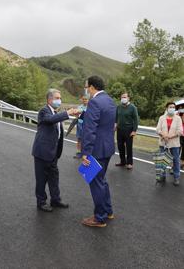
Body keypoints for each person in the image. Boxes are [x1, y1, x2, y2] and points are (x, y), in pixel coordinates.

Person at [32, 89, 77, 212]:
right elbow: (51, 120)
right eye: (57, 98)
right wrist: (68, 113)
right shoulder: (44, 111)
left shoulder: (55, 112)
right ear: (49, 99)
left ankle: (55, 200)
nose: (59, 100)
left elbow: (57, 124)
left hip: (53, 153)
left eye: (60, 98)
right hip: (42, 152)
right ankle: (41, 202)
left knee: (54, 177)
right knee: (41, 179)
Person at [81, 76, 116, 228]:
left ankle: (99, 218)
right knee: (101, 181)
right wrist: (83, 114)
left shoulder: (94, 102)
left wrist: (85, 153)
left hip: (96, 149)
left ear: (92, 87)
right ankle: (108, 211)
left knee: (95, 182)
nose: (86, 90)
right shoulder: (109, 100)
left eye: (87, 87)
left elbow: (90, 130)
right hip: (107, 147)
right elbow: (104, 120)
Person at [156, 102, 183, 186]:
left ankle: (176, 177)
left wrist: (170, 136)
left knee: (176, 160)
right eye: (170, 107)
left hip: (174, 143)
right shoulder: (161, 118)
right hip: (163, 142)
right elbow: (158, 129)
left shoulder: (178, 118)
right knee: (162, 160)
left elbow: (180, 131)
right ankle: (162, 176)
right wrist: (163, 135)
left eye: (173, 107)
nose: (172, 108)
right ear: (167, 108)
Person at [115, 92, 139, 170]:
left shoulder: (133, 107)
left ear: (128, 98)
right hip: (119, 129)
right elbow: (116, 117)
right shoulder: (118, 107)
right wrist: (115, 125)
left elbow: (136, 120)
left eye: (125, 97)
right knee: (120, 146)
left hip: (129, 130)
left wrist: (134, 130)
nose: (123, 99)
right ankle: (122, 161)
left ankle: (129, 163)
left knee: (128, 147)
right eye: (122, 97)